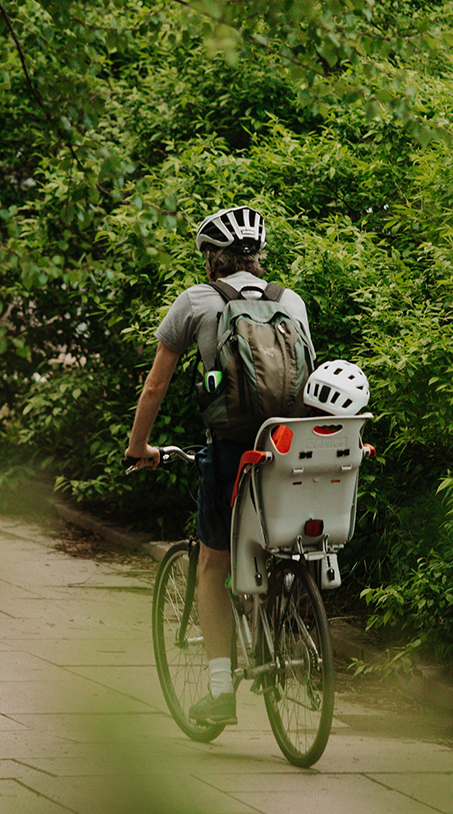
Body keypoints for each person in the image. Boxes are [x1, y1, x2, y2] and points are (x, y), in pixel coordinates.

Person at [126, 206, 313, 726]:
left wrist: (138, 446)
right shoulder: (291, 302)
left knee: (212, 564)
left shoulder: (196, 302)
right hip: (287, 447)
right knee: (285, 541)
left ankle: (219, 691)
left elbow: (156, 385)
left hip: (232, 450)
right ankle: (289, 623)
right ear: (258, 257)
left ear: (213, 258)